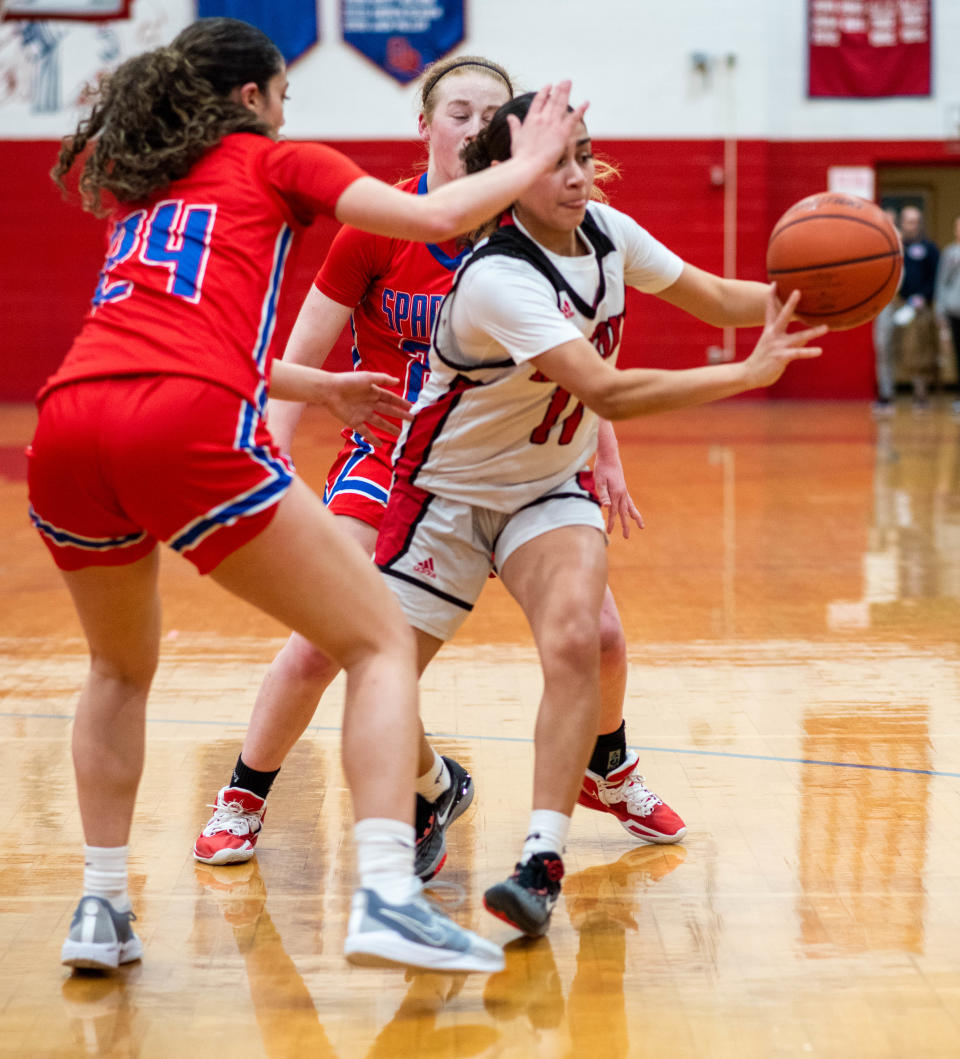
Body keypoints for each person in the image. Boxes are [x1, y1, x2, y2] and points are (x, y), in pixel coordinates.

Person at [28, 17, 587, 974]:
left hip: (67, 428)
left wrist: (316, 389)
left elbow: (177, 326)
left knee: (117, 671)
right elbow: (434, 217)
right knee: (373, 637)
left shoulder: (146, 187)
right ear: (251, 99)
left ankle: (103, 904)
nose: (290, 109)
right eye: (284, 92)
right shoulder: (274, 159)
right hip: (182, 423)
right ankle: (384, 892)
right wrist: (530, 152)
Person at [192, 54, 685, 880]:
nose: (473, 128)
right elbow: (298, 354)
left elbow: (584, 355)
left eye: (492, 116)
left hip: (517, 467)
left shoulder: (542, 230)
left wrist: (603, 448)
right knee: (329, 640)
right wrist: (267, 449)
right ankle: (251, 790)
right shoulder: (380, 226)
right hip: (391, 462)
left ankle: (606, 765)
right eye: (457, 112)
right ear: (424, 126)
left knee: (598, 636)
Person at [373, 92, 825, 937]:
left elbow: (716, 297)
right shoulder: (498, 278)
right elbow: (606, 389)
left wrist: (815, 297)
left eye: (584, 153)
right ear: (507, 180)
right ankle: (435, 784)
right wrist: (742, 376)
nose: (579, 174)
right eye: (557, 161)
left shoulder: (608, 234)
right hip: (448, 496)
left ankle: (542, 859)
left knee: (581, 636)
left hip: (547, 485)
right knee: (380, 676)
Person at [890, 205, 940, 412]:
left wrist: (922, 297)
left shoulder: (930, 248)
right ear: (902, 223)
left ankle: (922, 394)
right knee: (894, 348)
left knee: (922, 351)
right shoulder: (895, 248)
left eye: (916, 221)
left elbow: (935, 277)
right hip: (898, 305)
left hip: (921, 307)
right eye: (909, 221)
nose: (913, 225)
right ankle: (889, 394)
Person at [871, 207, 900, 417]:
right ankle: (886, 394)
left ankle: (920, 396)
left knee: (912, 351)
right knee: (883, 349)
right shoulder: (874, 244)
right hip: (885, 305)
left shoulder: (898, 244)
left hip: (903, 303)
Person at [935, 213, 960, 414]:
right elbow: (941, 283)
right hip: (954, 311)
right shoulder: (950, 253)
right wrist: (940, 311)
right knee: (957, 354)